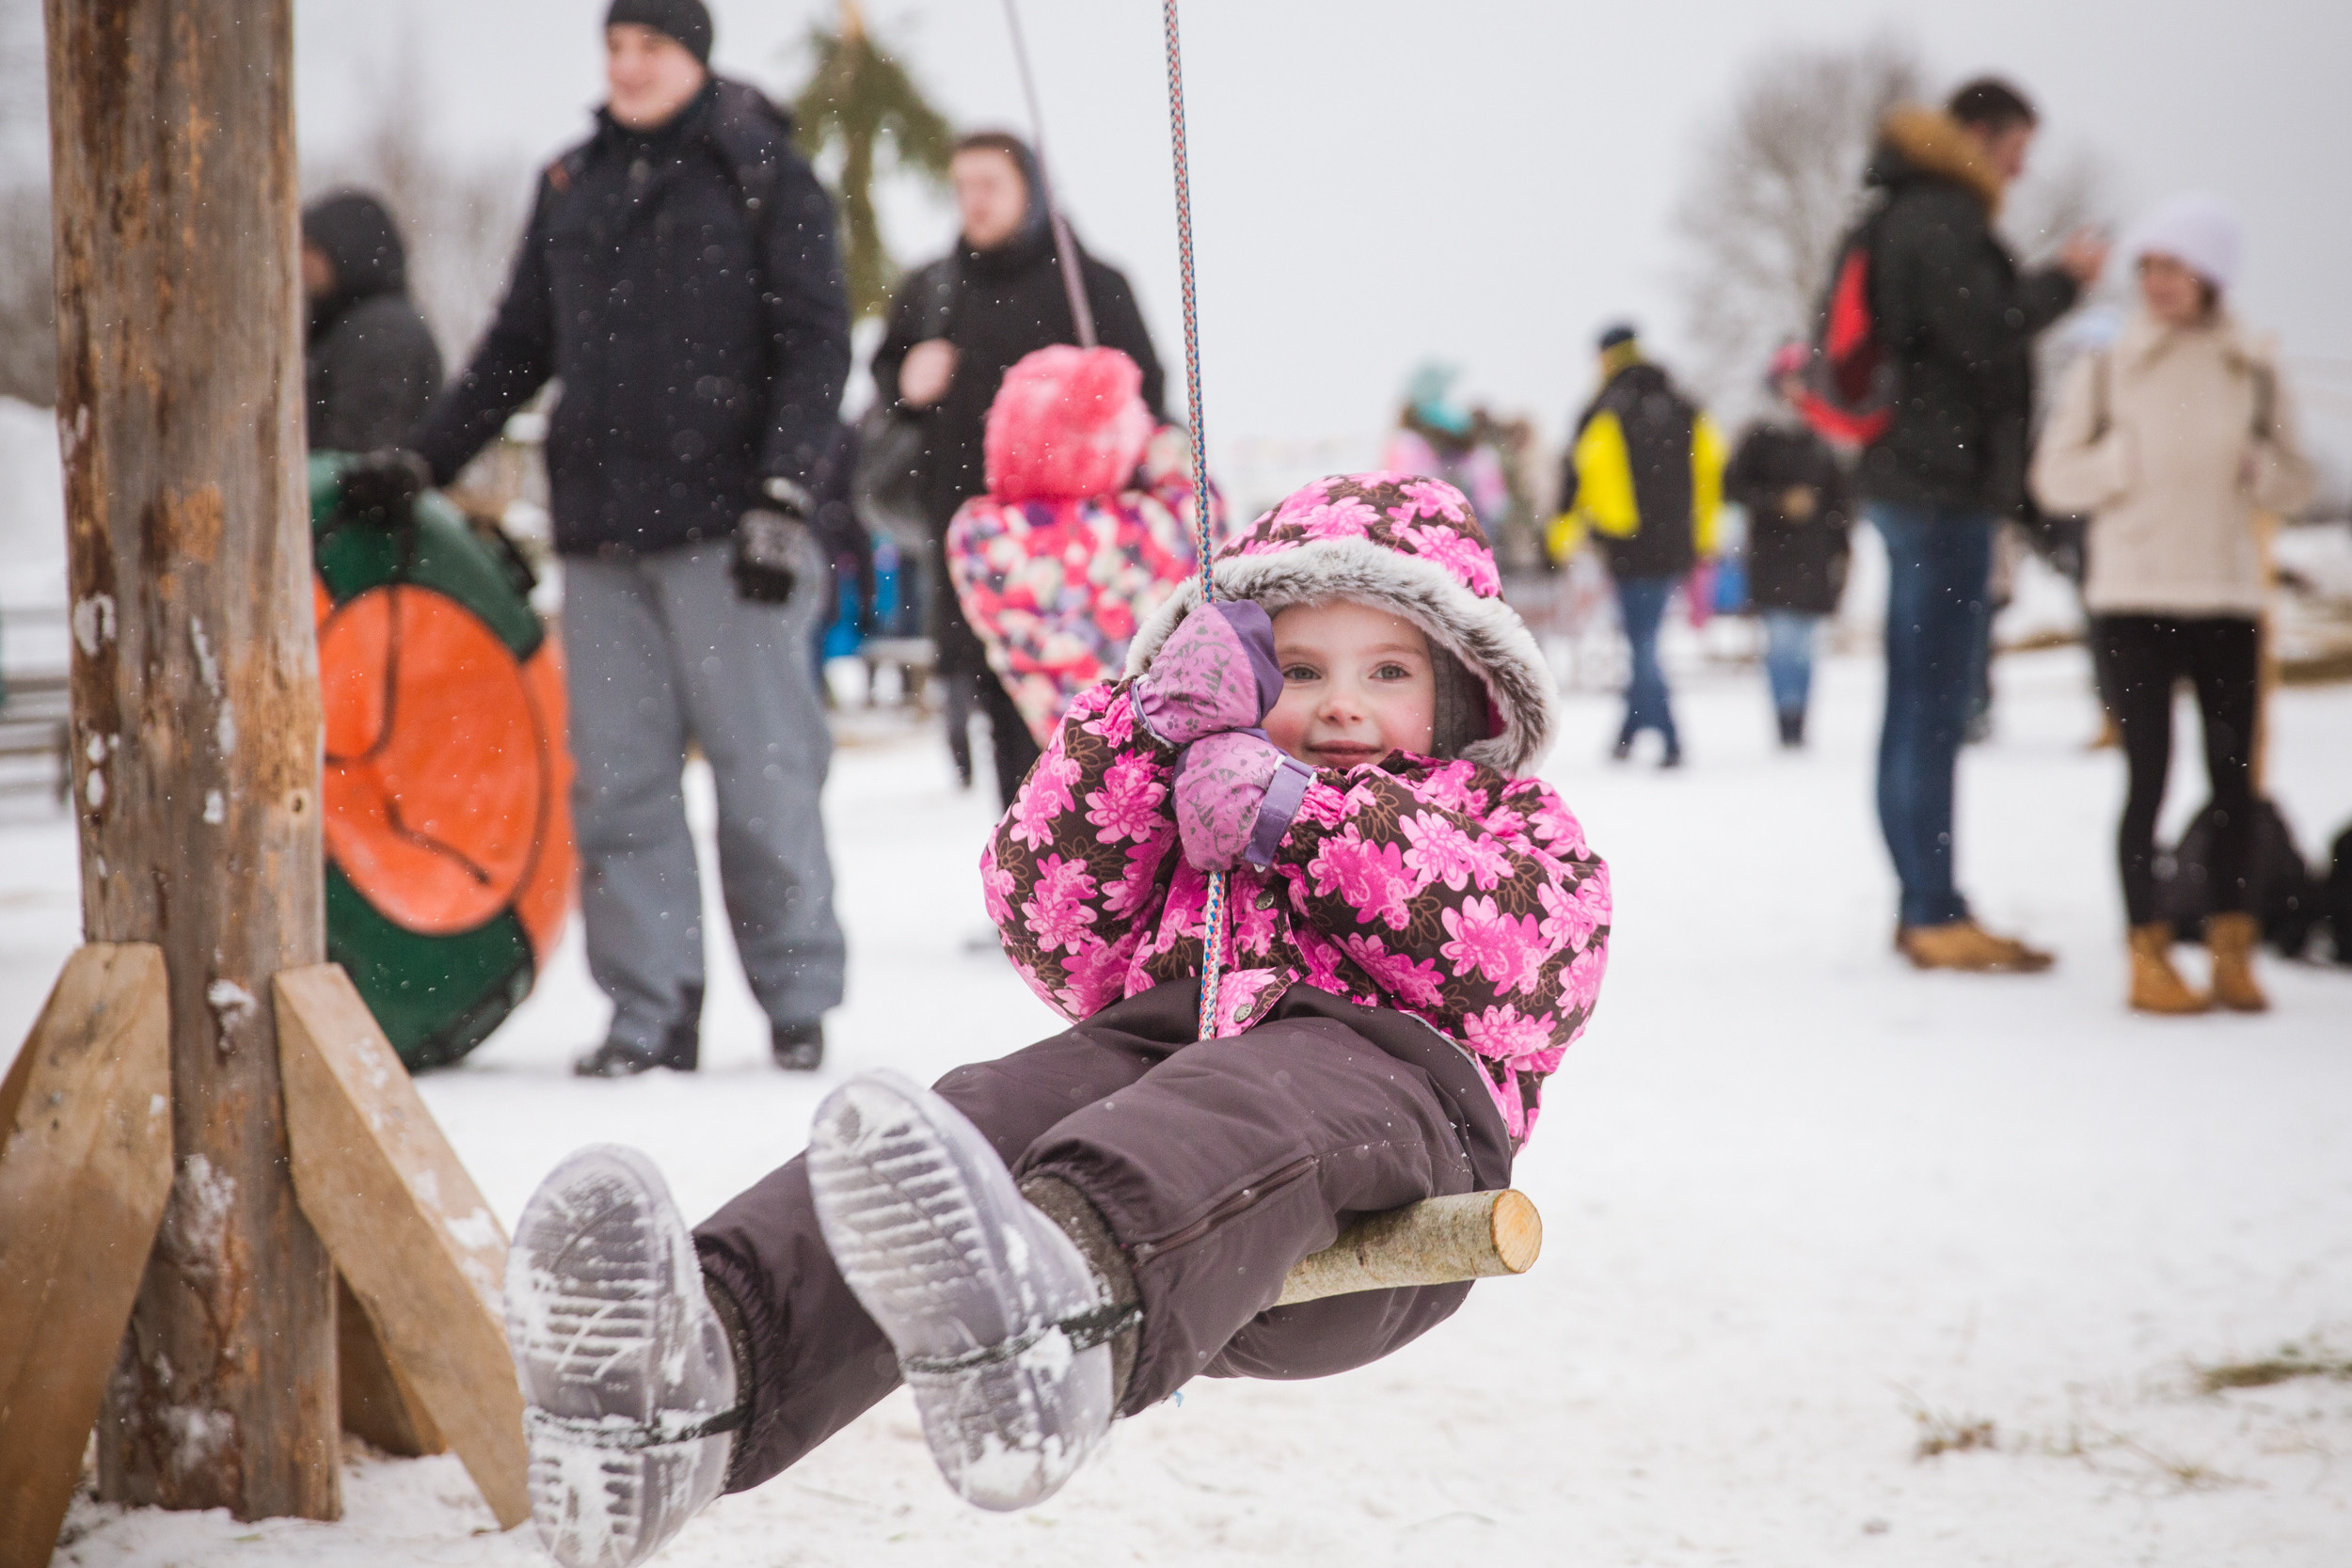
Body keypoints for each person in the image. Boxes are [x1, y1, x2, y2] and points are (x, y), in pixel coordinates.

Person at [497, 474, 1611, 1567]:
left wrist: (1303, 823)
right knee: (978, 1120)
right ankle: (696, 1379)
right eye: (1302, 667)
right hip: (1171, 1066)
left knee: (1240, 1096)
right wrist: (1145, 734)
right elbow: (1047, 913)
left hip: (1387, 1126)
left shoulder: (1502, 812)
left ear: (1461, 691)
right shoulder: (1201, 780)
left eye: (1388, 670)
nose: (1339, 702)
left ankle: (1052, 1322)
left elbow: (1532, 969)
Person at [402, 0, 853, 1075]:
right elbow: (517, 346)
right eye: (615, 46)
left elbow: (815, 342)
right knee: (618, 784)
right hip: (603, 533)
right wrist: (424, 462)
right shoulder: (572, 182)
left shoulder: (762, 170)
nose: (629, 65)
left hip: (732, 529)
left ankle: (795, 998)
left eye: (651, 46)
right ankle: (651, 1006)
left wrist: (784, 491)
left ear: (694, 56)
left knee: (765, 774)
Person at [2029, 194, 2314, 1015]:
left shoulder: (2251, 366)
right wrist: (2117, 463)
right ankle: (2147, 953)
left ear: (2211, 276)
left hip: (2225, 596)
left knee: (2234, 783)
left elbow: (2298, 483)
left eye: (2174, 267)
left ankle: (2233, 947)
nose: (2158, 283)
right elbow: (2054, 479)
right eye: (2147, 268)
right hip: (2134, 600)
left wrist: (2265, 470)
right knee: (2145, 777)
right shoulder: (2109, 367)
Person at [1851, 77, 2107, 972]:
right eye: (2016, 147)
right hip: (1940, 487)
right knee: (1932, 706)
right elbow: (1982, 334)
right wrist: (2062, 284)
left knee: (1914, 704)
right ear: (1978, 135)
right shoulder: (1942, 216)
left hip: (1913, 481)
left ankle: (1924, 900)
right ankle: (1933, 908)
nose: (2021, 167)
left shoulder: (1899, 209)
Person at [870, 131, 1167, 810]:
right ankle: (1030, 900)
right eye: (961, 187)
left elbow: (1149, 397)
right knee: (1009, 732)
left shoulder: (1090, 284)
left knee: (1112, 730)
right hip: (981, 551)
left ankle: (1117, 896)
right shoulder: (932, 288)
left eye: (989, 185)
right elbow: (887, 387)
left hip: (1089, 561)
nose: (972, 202)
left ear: (1032, 190)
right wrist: (908, 384)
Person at [1551, 324, 1724, 768]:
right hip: (1676, 542)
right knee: (1643, 635)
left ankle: (1668, 734)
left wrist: (1562, 536)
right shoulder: (1686, 406)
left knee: (1641, 639)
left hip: (1627, 543)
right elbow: (1710, 473)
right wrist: (1703, 538)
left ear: (1606, 357)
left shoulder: (1605, 408)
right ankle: (1629, 732)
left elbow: (1579, 475)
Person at [1725, 342, 1852, 747]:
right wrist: (1779, 502)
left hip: (1814, 558)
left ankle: (1800, 719)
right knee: (1782, 643)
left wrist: (1842, 549)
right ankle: (1786, 718)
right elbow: (1733, 488)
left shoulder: (1825, 436)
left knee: (1806, 647)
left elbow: (1841, 501)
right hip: (1773, 557)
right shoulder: (1760, 435)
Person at [301, 190, 443, 454]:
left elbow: (360, 452)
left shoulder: (382, 332)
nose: (301, 262)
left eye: (311, 248)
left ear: (346, 249)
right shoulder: (345, 327)